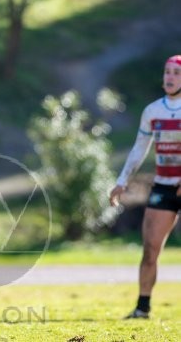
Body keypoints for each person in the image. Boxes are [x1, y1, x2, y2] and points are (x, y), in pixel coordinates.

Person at [109, 55, 181, 319]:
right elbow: (140, 148)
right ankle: (142, 308)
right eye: (167, 72)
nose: (170, 77)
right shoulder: (153, 111)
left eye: (176, 72)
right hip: (163, 187)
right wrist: (121, 182)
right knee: (150, 248)